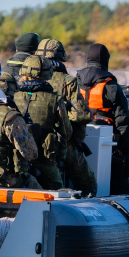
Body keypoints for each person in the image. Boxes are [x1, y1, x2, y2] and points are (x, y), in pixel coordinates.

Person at [36, 38, 98, 196]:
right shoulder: (68, 81)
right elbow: (81, 115)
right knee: (88, 183)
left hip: (35, 140)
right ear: (60, 58)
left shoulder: (29, 80)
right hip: (62, 142)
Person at [77, 43, 129, 194]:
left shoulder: (74, 82)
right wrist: (125, 150)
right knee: (120, 182)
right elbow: (123, 123)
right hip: (107, 143)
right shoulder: (111, 86)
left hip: (77, 140)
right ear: (106, 60)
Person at [12, 56, 72, 190]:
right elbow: (67, 132)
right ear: (48, 73)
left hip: (16, 161)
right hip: (44, 159)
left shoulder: (12, 96)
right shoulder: (55, 99)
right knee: (57, 190)